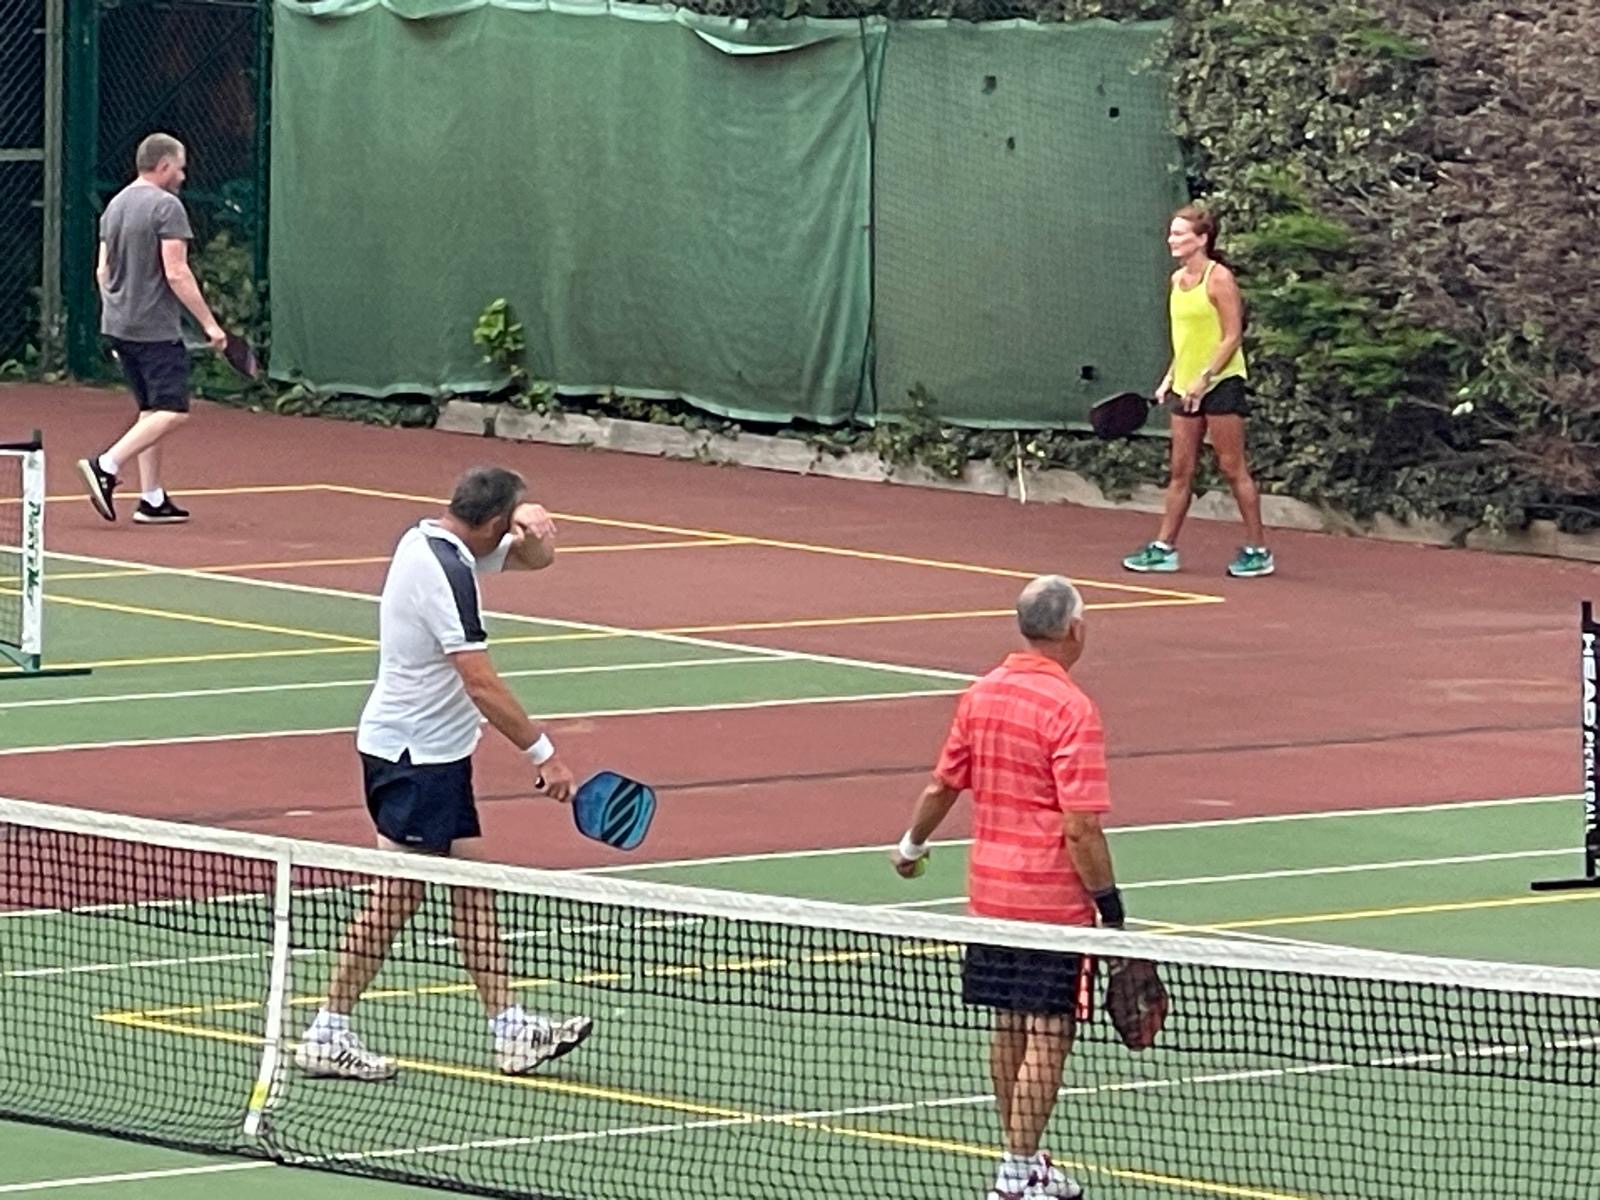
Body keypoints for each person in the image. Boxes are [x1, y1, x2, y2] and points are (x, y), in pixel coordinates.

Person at [293, 465, 594, 1082]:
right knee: (396, 899)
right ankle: (326, 1031)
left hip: (439, 758)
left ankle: (511, 1030)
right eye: (507, 523)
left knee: (473, 886)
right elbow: (480, 681)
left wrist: (534, 529)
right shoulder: (447, 573)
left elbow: (536, 561)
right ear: (491, 523)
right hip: (413, 760)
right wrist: (544, 754)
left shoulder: (437, 541)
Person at [890, 576, 1125, 1200]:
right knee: (1050, 1032)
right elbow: (1080, 827)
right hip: (1052, 904)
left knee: (1010, 1025)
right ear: (1073, 629)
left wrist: (911, 846)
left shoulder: (981, 693)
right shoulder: (1072, 709)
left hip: (990, 896)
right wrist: (1110, 907)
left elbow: (944, 784)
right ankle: (1016, 1177)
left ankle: (1023, 1162)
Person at [77, 132, 226, 527]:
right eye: (180, 168)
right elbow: (176, 272)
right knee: (172, 411)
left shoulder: (115, 205)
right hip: (154, 329)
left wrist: (117, 309)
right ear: (163, 166)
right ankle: (106, 466)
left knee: (151, 411)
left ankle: (152, 499)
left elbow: (102, 270)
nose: (183, 176)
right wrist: (210, 325)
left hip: (119, 325)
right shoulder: (166, 206)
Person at [1123, 205, 1274, 578]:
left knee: (1232, 467)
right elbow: (1186, 340)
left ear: (1202, 239)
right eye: (1171, 233)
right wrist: (1170, 378)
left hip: (1222, 383)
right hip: (1186, 386)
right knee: (1180, 470)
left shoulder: (1219, 278)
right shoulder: (1176, 281)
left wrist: (1205, 378)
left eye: (1179, 234)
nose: (1171, 240)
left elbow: (1232, 336)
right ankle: (1164, 549)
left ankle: (1258, 551)